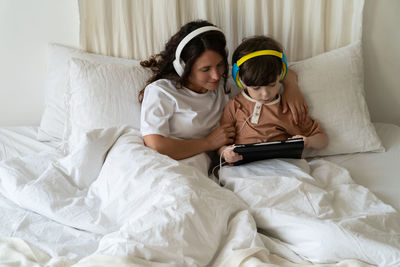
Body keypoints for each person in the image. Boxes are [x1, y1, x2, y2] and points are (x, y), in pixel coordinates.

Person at [139, 20, 308, 161]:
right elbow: (156, 145)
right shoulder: (161, 92)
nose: (215, 75)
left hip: (201, 162)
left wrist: (291, 88)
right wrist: (208, 142)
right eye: (205, 69)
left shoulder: (222, 84)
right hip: (163, 160)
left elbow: (268, 70)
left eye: (219, 65)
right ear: (183, 68)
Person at [218, 36, 328, 164]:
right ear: (241, 81)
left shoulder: (288, 107)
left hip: (282, 165)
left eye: (272, 85)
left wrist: (308, 141)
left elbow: (323, 140)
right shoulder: (235, 105)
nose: (265, 94)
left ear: (280, 76)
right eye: (256, 88)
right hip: (245, 168)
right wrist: (225, 153)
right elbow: (220, 144)